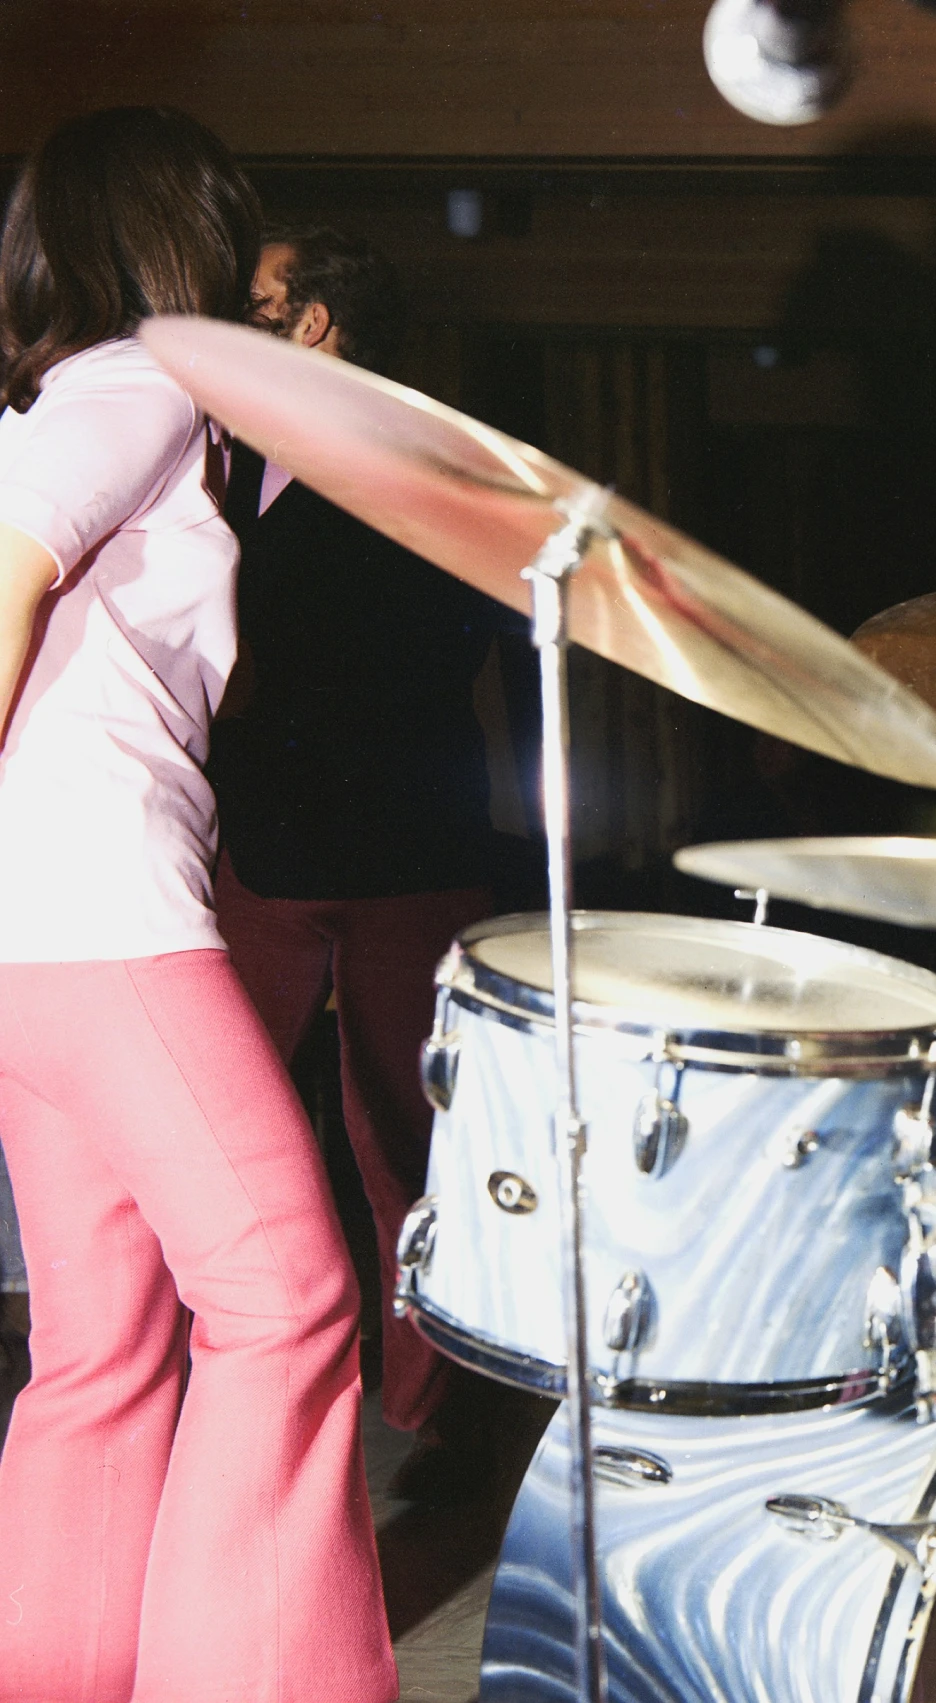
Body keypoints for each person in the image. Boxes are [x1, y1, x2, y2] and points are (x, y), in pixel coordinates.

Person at [0, 109, 396, 1702]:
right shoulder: (137, 379)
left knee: (101, 1346)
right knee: (288, 1298)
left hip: (38, 940)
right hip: (101, 914)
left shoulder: (141, 400)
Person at [210, 223, 521, 1501]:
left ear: (317, 323)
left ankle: (444, 1426)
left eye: (259, 299)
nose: (234, 313)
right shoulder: (222, 456)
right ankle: (215, 1381)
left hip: (405, 852)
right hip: (264, 852)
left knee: (410, 1139)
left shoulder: (421, 452)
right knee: (226, 1120)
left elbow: (474, 634)